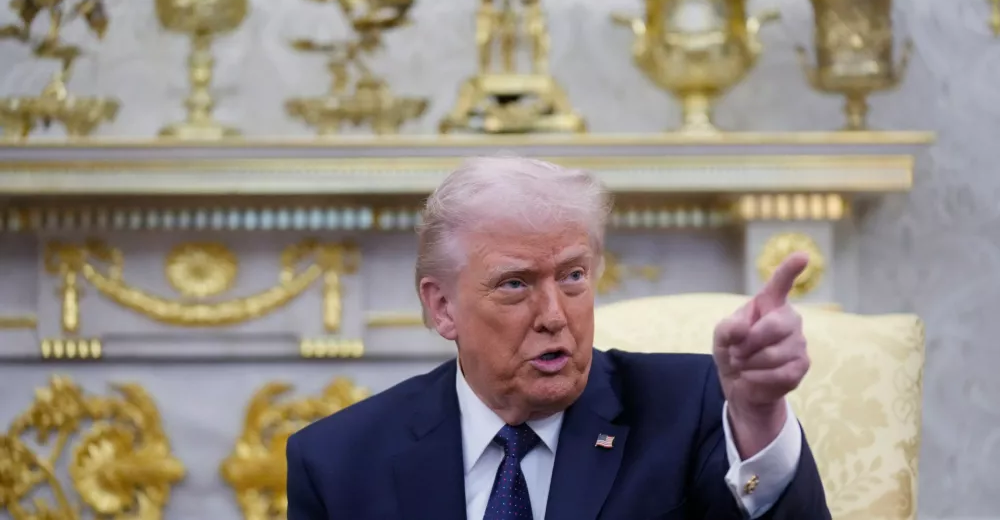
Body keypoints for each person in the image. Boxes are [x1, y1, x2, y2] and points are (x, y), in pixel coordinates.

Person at [286, 156, 831, 520]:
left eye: (572, 276)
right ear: (442, 307)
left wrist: (760, 416)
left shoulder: (693, 408)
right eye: (515, 283)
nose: (554, 315)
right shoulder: (338, 462)